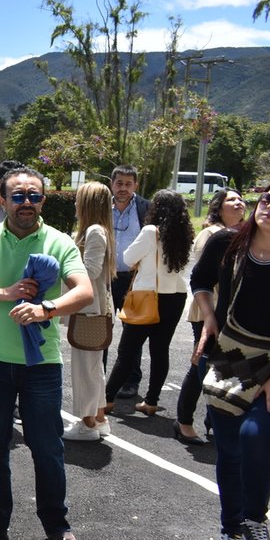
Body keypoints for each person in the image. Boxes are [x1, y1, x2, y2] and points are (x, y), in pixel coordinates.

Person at [0, 166, 93, 540]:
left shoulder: (58, 242)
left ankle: (57, 524)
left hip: (42, 365)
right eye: (17, 196)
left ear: (43, 199)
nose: (26, 203)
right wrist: (7, 293)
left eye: (34, 196)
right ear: (1, 200)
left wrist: (46, 308)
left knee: (47, 447)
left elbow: (85, 291)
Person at [191, 176, 270, 540]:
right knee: (229, 448)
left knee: (257, 435)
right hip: (229, 353)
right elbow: (200, 280)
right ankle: (231, 525)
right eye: (268, 198)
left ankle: (254, 519)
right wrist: (210, 317)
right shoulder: (227, 241)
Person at [104, 190, 193, 417]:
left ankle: (107, 399)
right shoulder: (185, 234)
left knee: (127, 351)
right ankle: (151, 401)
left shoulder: (151, 231)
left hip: (147, 296)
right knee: (160, 350)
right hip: (175, 297)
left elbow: (127, 258)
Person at [176, 187, 246, 444]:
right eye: (231, 200)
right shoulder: (212, 235)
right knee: (200, 364)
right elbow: (204, 275)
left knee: (226, 367)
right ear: (218, 207)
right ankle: (184, 420)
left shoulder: (249, 234)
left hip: (231, 313)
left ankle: (213, 421)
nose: (238, 203)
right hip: (208, 311)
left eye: (240, 199)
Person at [62, 181, 116, 441]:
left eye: (78, 199)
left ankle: (87, 424)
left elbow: (90, 270)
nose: (75, 204)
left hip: (89, 311)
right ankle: (100, 418)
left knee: (85, 371)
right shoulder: (100, 230)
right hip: (94, 311)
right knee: (95, 369)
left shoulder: (94, 231)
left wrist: (65, 262)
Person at [108, 165, 150, 397]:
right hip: (106, 278)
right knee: (101, 328)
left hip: (134, 281)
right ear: (112, 184)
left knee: (132, 333)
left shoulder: (146, 208)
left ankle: (130, 380)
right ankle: (101, 376)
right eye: (119, 183)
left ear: (136, 185)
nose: (123, 188)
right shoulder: (102, 207)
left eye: (128, 183)